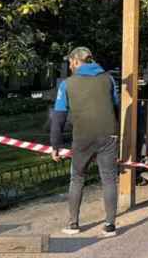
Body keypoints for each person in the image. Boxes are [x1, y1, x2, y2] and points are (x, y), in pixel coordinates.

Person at [50, 47, 120, 237]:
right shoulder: (108, 79)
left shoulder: (67, 84)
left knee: (77, 178)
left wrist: (55, 145)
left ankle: (73, 224)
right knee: (109, 179)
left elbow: (59, 117)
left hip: (82, 137)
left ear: (76, 61)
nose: (70, 66)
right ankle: (110, 226)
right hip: (108, 135)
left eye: (70, 62)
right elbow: (116, 107)